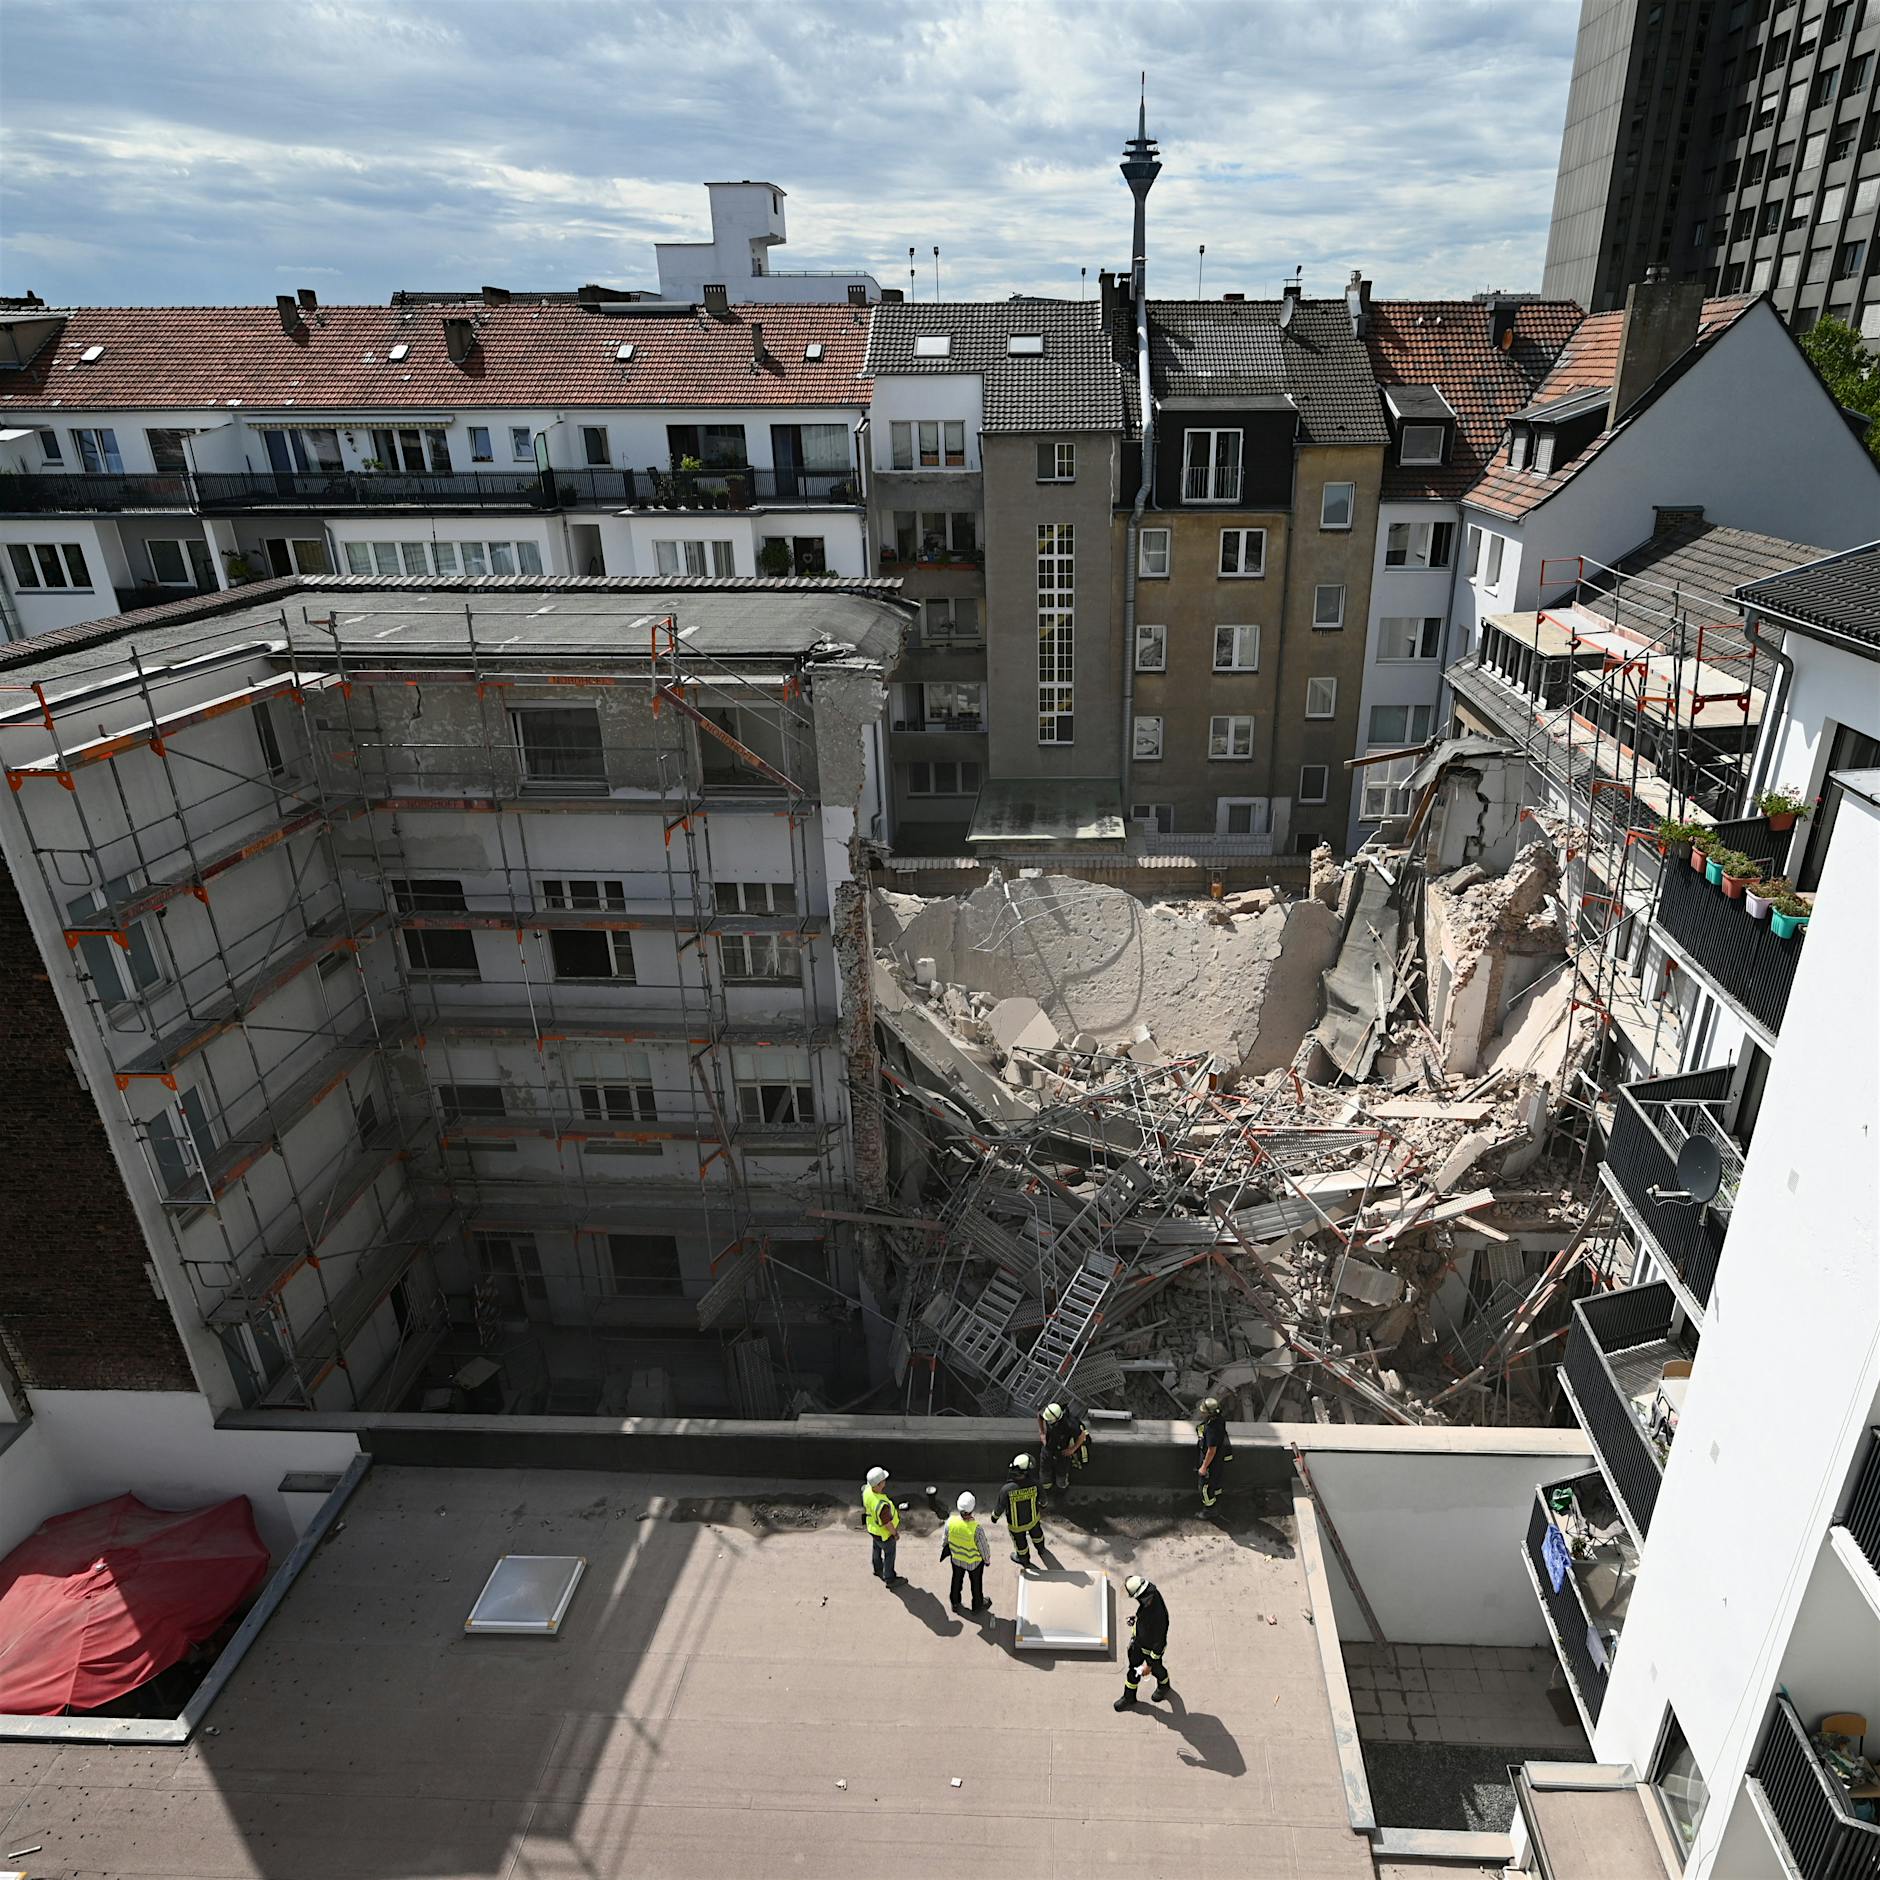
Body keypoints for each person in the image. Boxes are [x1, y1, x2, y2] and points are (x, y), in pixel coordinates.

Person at [1114, 1574, 1176, 1710]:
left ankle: (1164, 1685)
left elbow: (1160, 1641)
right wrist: (1136, 1619)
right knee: (1133, 1670)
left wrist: (1150, 1664)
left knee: (1156, 1670)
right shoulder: (1148, 1599)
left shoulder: (1158, 1615)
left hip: (1152, 1650)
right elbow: (1143, 1612)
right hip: (1138, 1644)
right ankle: (1129, 1697)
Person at [990, 1453, 1048, 1568]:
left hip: (1016, 1527)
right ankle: (1041, 1549)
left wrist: (994, 1518)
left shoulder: (1006, 1490)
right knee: (1037, 1536)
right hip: (1033, 1521)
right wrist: (1042, 1506)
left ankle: (1024, 1559)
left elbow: (999, 1508)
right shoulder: (1036, 1484)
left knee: (1020, 1544)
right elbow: (1044, 1501)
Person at [942, 1491, 991, 1613]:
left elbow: (945, 1540)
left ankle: (955, 1602)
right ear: (972, 1508)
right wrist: (987, 1560)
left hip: (956, 1560)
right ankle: (977, 1606)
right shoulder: (976, 1528)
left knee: (956, 1580)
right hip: (973, 1563)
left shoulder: (950, 1522)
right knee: (976, 1585)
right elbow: (983, 1548)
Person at [862, 1465, 903, 1587]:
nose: (885, 1482)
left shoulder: (867, 1490)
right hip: (884, 1534)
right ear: (879, 1485)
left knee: (876, 1549)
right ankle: (890, 1578)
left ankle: (877, 1568)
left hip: (873, 1529)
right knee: (889, 1555)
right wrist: (894, 1534)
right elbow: (887, 1523)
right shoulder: (882, 1505)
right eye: (883, 1480)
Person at [1039, 1401, 1091, 1493]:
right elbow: (1040, 1416)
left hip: (1062, 1452)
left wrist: (1072, 1449)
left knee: (1061, 1475)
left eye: (1050, 1421)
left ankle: (1061, 1491)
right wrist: (1042, 1432)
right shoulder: (1048, 1413)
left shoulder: (1070, 1424)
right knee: (1045, 1472)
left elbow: (1082, 1436)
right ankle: (1046, 1490)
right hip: (1048, 1449)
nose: (1048, 1422)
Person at [1196, 1394, 1233, 1511]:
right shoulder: (1219, 1420)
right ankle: (1217, 1498)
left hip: (1211, 1464)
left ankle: (1209, 1509)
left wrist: (1203, 1467)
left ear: (1209, 1414)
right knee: (1216, 1482)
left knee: (1205, 1487)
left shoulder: (1212, 1430)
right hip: (1219, 1461)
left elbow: (1211, 1450)